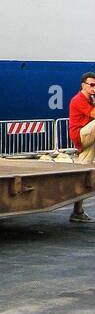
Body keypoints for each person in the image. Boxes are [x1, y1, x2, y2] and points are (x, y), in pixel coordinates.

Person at [67, 71, 95, 224]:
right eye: (91, 85)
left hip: (88, 137)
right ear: (83, 85)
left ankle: (77, 211)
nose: (94, 88)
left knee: (83, 173)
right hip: (81, 135)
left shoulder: (91, 99)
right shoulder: (79, 100)